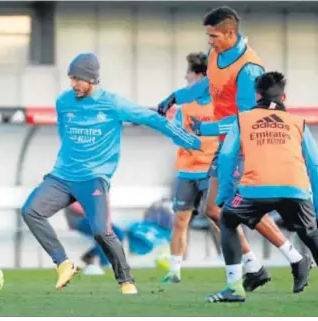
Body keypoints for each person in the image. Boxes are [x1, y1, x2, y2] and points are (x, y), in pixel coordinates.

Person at [20, 52, 201, 294]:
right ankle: (63, 263)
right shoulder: (64, 102)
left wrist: (187, 139)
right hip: (62, 176)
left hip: (94, 178)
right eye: (71, 78)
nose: (73, 84)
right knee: (31, 211)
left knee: (103, 232)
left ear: (93, 79)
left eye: (78, 79)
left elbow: (151, 118)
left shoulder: (113, 104)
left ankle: (126, 281)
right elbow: (65, 135)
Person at [157, 6, 306, 292]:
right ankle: (258, 266)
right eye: (207, 36)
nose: (209, 41)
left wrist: (207, 129)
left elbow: (246, 120)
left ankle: (291, 259)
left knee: (233, 208)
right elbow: (204, 89)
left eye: (213, 36)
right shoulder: (215, 54)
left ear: (229, 33)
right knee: (216, 210)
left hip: (245, 146)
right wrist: (175, 96)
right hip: (227, 146)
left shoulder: (249, 68)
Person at [206, 71, 318, 303]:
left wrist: (224, 194)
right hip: (295, 190)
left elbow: (225, 157)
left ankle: (234, 287)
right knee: (312, 236)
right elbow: (317, 168)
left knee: (227, 219)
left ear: (257, 96)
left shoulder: (242, 119)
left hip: (254, 190)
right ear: (284, 98)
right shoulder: (298, 123)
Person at [160, 52, 219, 283]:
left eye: (188, 73)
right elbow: (175, 135)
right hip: (187, 172)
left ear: (199, 76)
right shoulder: (184, 107)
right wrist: (184, 137)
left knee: (219, 219)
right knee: (180, 221)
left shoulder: (220, 105)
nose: (185, 78)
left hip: (212, 172)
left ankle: (240, 266)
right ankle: (174, 271)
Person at [64, 202, 125, 275]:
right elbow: (75, 207)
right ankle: (105, 264)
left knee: (119, 235)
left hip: (95, 219)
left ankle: (90, 255)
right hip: (80, 220)